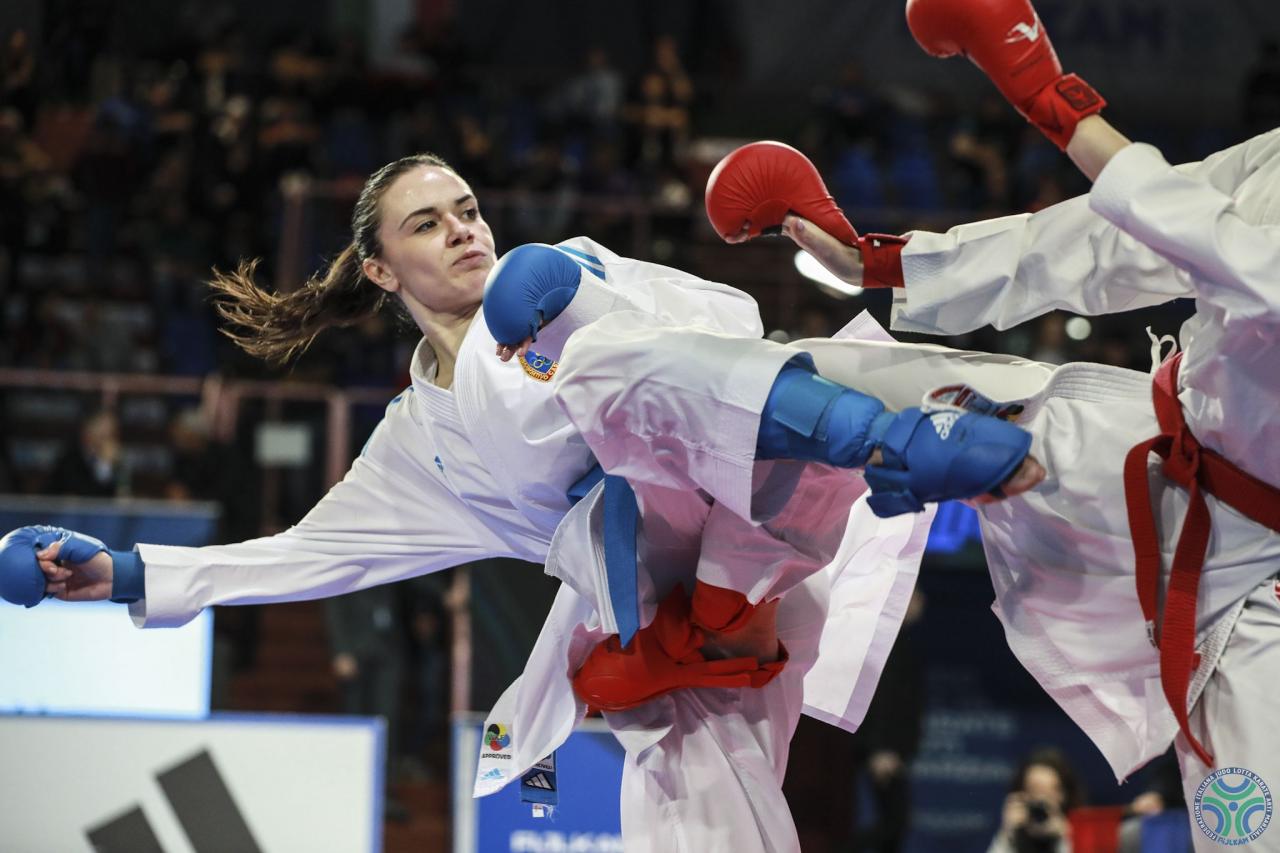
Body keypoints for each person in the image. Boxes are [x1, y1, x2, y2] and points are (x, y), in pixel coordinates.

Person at [2, 151, 1036, 850]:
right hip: (669, 626)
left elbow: (728, 319)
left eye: (467, 210)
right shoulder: (417, 444)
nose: (461, 231)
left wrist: (578, 309)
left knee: (603, 349)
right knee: (713, 828)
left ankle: (926, 438)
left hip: (763, 487)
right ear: (377, 266)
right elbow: (306, 554)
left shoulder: (567, 276)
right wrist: (128, 573)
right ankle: (897, 450)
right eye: (427, 224)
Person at [709, 0, 1280, 845]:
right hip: (1140, 448)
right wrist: (887, 262)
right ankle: (571, 361)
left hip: (1256, 585)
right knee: (789, 380)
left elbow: (1242, 264)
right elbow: (1113, 241)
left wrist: (1057, 104)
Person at [987, 748, 1084, 853]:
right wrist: (1007, 835)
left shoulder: (1078, 831)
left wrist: (1065, 838)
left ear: (1064, 795)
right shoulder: (1012, 836)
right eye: (1034, 789)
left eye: (1049, 792)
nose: (1041, 799)